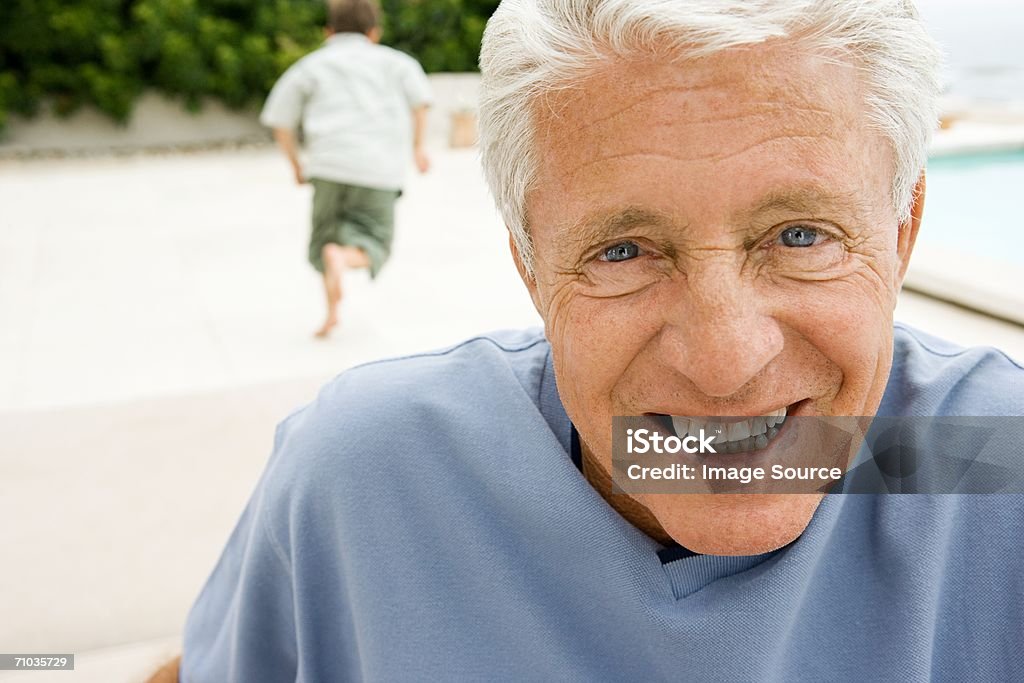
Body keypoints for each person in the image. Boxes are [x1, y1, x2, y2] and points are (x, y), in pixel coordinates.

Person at [173, 0, 1024, 680]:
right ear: (532, 266)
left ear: (903, 230)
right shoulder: (369, 472)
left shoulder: (990, 457)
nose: (726, 366)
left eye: (800, 236)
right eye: (624, 252)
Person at [260, 0, 432, 338]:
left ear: (328, 32)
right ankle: (343, 265)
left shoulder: (310, 66)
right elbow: (421, 103)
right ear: (374, 32)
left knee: (326, 241)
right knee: (373, 243)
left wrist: (297, 165)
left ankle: (331, 313)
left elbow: (280, 121)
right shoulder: (397, 63)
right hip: (378, 171)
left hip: (327, 168)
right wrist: (418, 148)